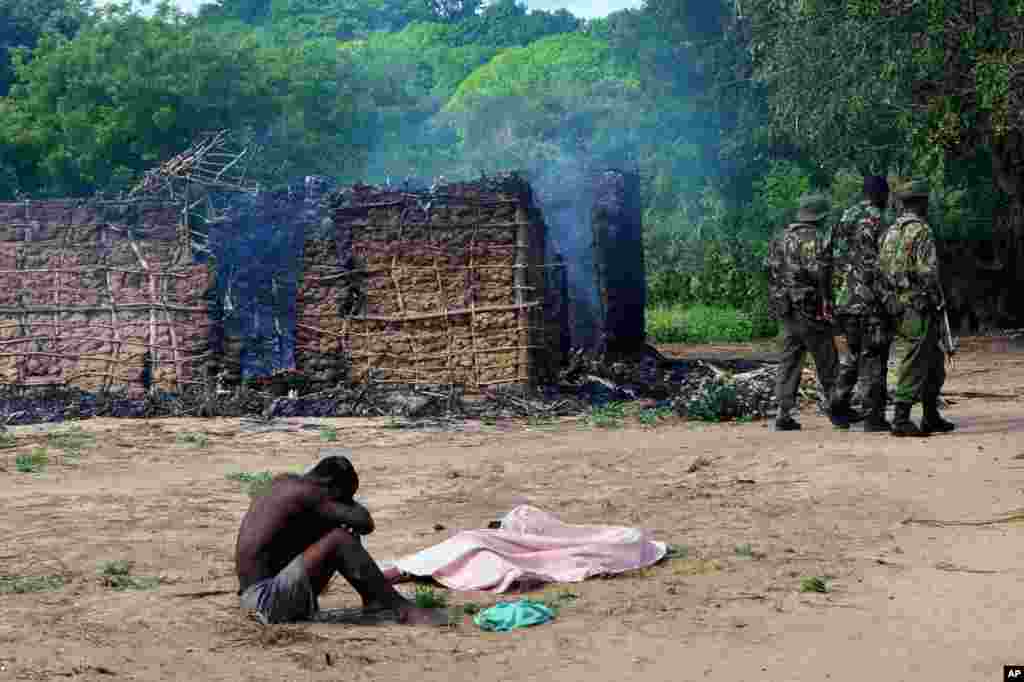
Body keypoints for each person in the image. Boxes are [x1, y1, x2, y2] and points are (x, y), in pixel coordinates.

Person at [235, 449, 450, 625]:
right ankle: (402, 610)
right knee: (340, 538)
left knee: (335, 531)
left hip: (256, 598)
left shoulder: (287, 483)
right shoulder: (310, 494)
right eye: (344, 498)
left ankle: (374, 600)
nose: (344, 503)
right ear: (331, 488)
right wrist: (344, 503)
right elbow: (365, 522)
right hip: (264, 603)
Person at [766, 193, 852, 431]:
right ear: (820, 217)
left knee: (790, 360)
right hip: (810, 308)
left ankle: (783, 413)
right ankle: (838, 413)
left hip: (785, 308)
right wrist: (828, 302)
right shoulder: (815, 239)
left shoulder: (780, 238)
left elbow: (771, 271)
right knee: (827, 360)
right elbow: (820, 274)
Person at [878, 179, 956, 436]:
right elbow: (928, 271)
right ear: (922, 202)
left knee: (932, 360)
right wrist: (936, 298)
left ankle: (931, 416)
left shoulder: (891, 231)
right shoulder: (921, 231)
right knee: (915, 359)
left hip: (896, 303)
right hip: (918, 303)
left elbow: (881, 269)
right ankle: (901, 418)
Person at [829, 176, 895, 432]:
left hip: (845, 301)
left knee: (849, 358)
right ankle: (873, 417)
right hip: (872, 303)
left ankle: (838, 408)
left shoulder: (845, 217)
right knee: (874, 358)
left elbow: (830, 258)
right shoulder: (882, 220)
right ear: (880, 194)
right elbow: (889, 263)